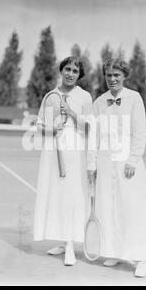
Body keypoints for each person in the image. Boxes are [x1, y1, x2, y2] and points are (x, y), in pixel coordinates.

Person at [87, 58, 146, 277]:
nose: (112, 79)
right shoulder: (99, 102)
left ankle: (141, 258)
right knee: (109, 208)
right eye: (108, 75)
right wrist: (91, 164)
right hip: (106, 164)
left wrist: (133, 160)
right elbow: (94, 137)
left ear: (124, 76)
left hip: (128, 165)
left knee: (134, 209)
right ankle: (115, 252)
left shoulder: (134, 98)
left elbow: (139, 133)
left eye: (117, 75)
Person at [33, 56, 93, 266]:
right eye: (67, 69)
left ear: (79, 75)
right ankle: (62, 239)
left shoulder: (85, 97)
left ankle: (70, 245)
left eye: (75, 71)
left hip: (74, 153)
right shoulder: (50, 96)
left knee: (71, 196)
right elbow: (38, 125)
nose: (70, 74)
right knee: (57, 195)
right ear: (61, 70)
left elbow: (89, 128)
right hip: (53, 153)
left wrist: (72, 114)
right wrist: (51, 130)